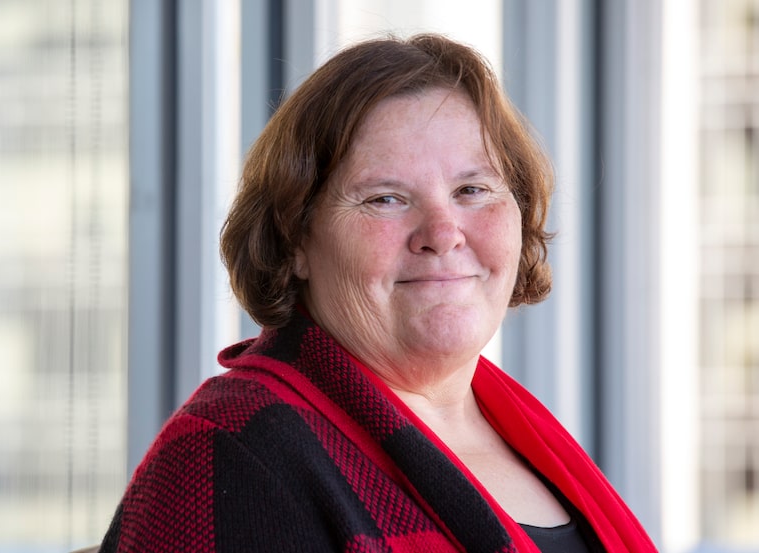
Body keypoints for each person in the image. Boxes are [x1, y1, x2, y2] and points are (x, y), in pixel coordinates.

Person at [99, 34, 657, 552]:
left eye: (473, 189)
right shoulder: (229, 455)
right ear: (295, 239)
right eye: (385, 198)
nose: (442, 234)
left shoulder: (527, 435)